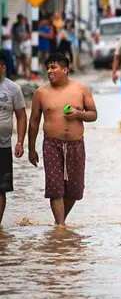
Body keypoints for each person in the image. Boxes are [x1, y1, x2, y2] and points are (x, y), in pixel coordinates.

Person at [27, 53, 98, 226]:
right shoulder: (41, 93)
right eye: (48, 68)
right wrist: (31, 148)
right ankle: (60, 227)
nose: (49, 71)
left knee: (74, 190)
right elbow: (34, 122)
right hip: (52, 143)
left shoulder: (81, 89)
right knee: (54, 187)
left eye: (54, 67)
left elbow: (93, 114)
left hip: (76, 143)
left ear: (65, 69)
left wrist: (78, 114)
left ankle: (60, 222)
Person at [0, 51, 26, 226]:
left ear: (2, 68)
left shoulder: (13, 89)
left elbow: (22, 116)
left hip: (3, 147)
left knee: (1, 189)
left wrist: (20, 142)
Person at [12, 14, 30, 78]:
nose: (21, 20)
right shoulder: (15, 25)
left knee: (25, 58)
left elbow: (29, 34)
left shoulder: (26, 25)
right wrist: (19, 38)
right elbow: (13, 34)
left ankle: (25, 72)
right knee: (18, 58)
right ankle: (17, 73)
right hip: (17, 43)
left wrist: (25, 38)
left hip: (25, 44)